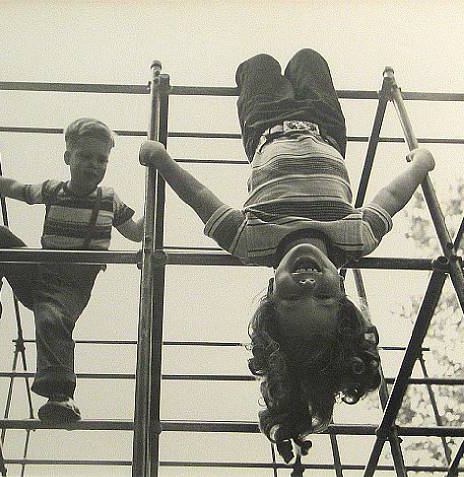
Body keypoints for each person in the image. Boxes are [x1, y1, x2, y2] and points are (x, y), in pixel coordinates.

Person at [138, 49, 435, 459]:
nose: (308, 284)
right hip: (327, 129)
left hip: (264, 128)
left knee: (256, 66)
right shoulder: (355, 237)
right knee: (310, 61)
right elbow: (392, 197)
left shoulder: (251, 242)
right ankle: (303, 66)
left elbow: (201, 199)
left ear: (271, 291)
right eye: (324, 297)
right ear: (343, 295)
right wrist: (420, 165)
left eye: (293, 297)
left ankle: (259, 69)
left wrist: (164, 161)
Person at [0, 118, 144, 423]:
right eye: (85, 157)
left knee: (51, 318)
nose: (94, 165)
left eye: (101, 159)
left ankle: (61, 396)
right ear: (68, 157)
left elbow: (134, 232)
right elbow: (18, 189)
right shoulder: (54, 190)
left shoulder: (108, 200)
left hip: (71, 286)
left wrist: (156, 205)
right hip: (40, 270)